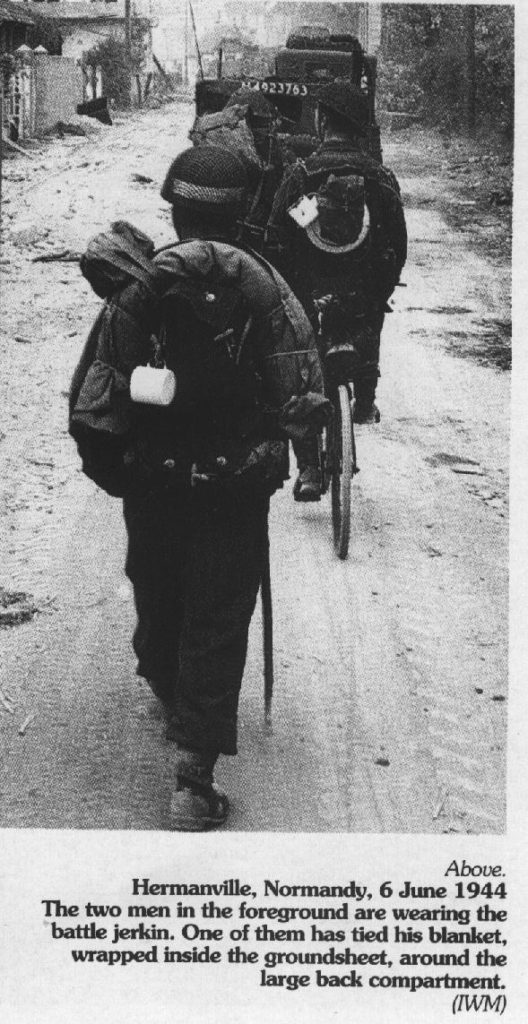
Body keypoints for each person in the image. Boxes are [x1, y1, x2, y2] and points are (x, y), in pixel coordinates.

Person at [70, 146, 327, 830]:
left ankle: (164, 682)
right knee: (217, 615)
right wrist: (291, 456)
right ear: (247, 210)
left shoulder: (140, 287)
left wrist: (121, 475)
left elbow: (94, 406)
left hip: (154, 485)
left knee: (157, 590)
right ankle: (192, 781)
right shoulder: (269, 287)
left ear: (175, 210)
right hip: (235, 488)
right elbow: (302, 394)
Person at [267, 81, 407, 501]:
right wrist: (376, 292)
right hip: (360, 296)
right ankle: (364, 399)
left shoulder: (302, 175)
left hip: (310, 296)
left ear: (323, 121)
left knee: (300, 367)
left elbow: (276, 240)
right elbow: (396, 248)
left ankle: (309, 466)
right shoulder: (380, 178)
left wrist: (291, 295)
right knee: (370, 318)